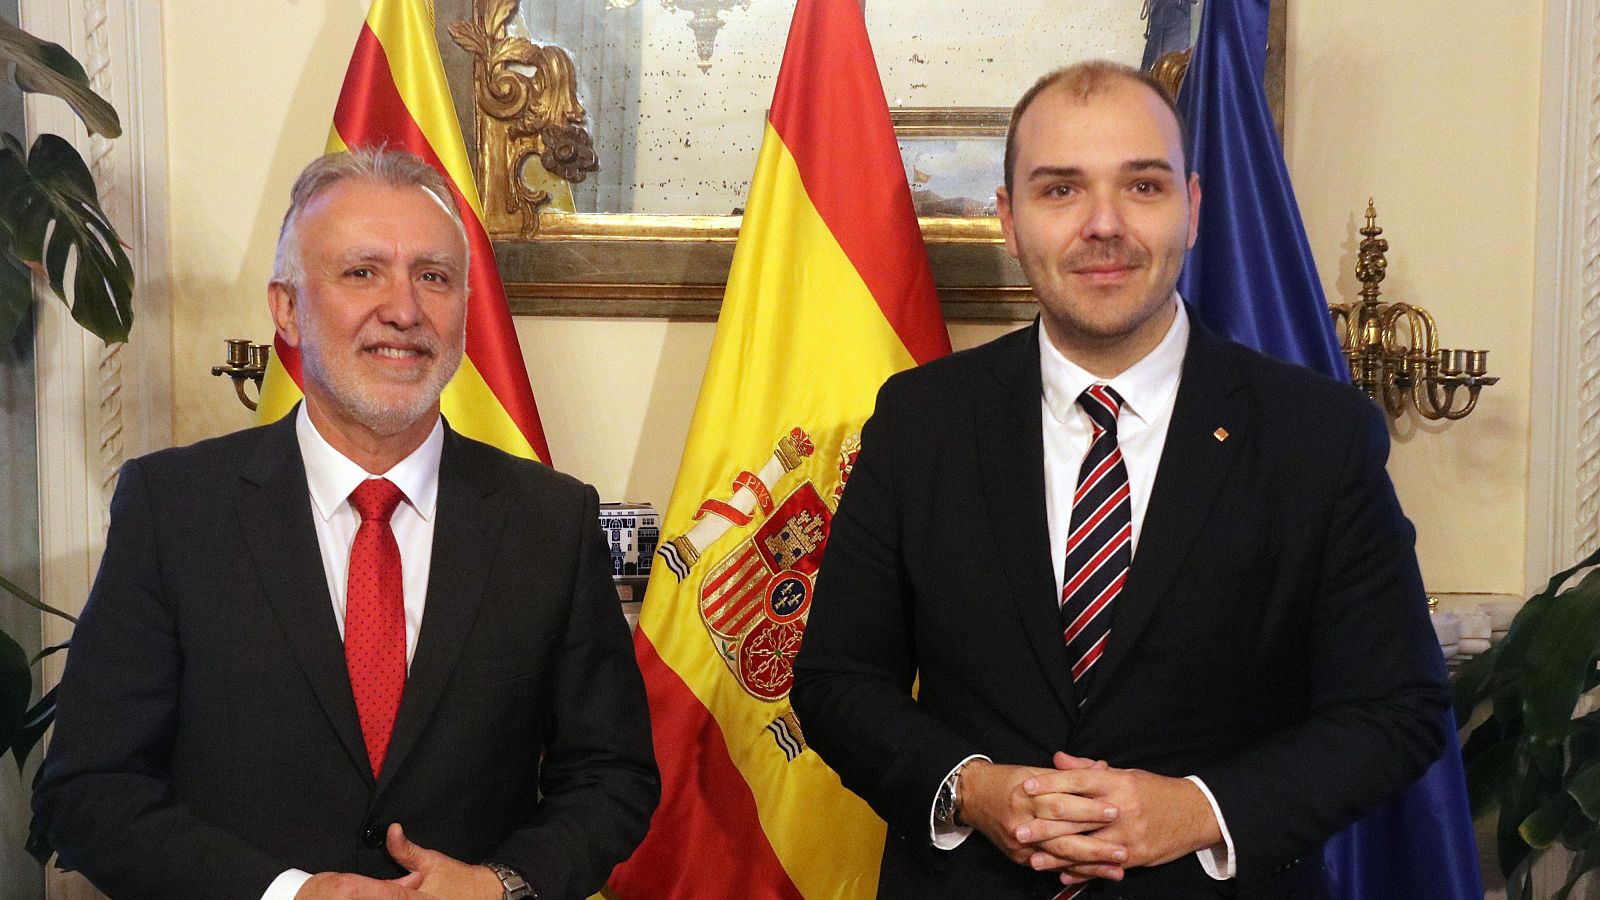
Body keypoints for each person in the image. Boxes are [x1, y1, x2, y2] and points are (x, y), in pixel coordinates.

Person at [790, 61, 1448, 900]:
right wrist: (971, 787)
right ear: (1009, 220)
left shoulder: (1317, 436)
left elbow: (1396, 708)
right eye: (1060, 190)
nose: (1104, 225)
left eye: (1141, 185)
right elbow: (838, 680)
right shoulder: (921, 423)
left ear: (1193, 208)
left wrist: (1199, 810)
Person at [32, 147, 659, 900]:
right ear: (288, 308)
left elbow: (610, 776)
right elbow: (90, 790)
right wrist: (288, 893)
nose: (403, 308)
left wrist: (500, 885)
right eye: (362, 272)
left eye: (433, 276)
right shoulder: (174, 509)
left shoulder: (549, 522)